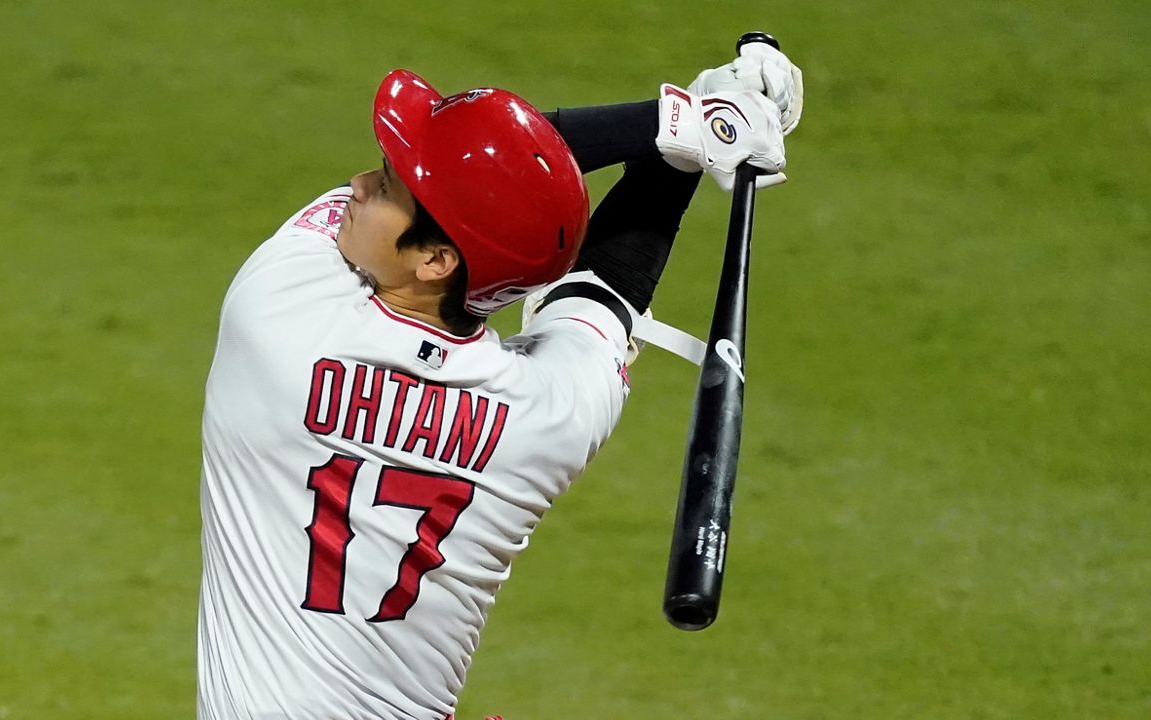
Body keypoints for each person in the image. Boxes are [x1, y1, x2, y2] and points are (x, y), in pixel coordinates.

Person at [197, 43, 804, 720]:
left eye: (391, 187)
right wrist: (694, 138)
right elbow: (607, 290)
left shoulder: (281, 317)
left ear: (434, 259)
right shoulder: (546, 418)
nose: (361, 183)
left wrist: (677, 123)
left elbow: (516, 177)